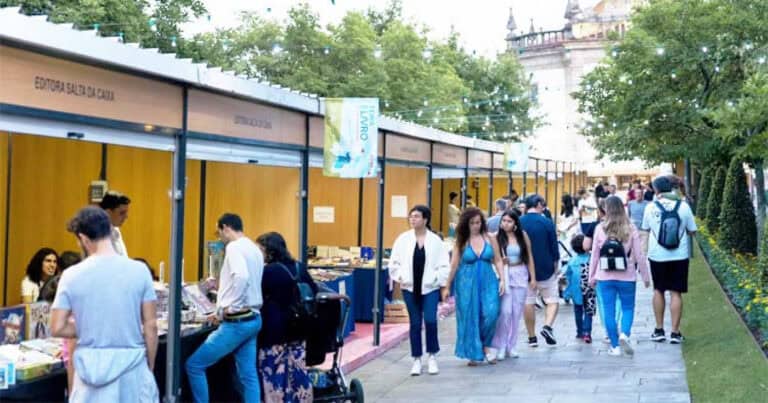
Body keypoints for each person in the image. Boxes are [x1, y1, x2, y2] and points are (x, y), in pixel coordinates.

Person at [50, 206, 158, 402]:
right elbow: (151, 326)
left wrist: (88, 326)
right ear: (110, 230)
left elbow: (57, 327)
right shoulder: (140, 271)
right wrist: (149, 366)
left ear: (83, 238)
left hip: (89, 375)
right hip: (132, 372)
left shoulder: (71, 275)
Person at [186, 213, 264, 403]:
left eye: (218, 232)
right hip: (253, 317)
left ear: (226, 227)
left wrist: (227, 307)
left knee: (194, 365)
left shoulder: (234, 248)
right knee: (248, 375)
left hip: (237, 321)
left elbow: (242, 277)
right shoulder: (253, 249)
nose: (219, 237)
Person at [255, 232, 316, 403]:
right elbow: (314, 291)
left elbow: (254, 297)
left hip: (274, 332)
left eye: (260, 250)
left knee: (273, 374)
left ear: (269, 251)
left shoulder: (267, 272)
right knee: (298, 374)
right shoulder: (299, 267)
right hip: (299, 329)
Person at [389, 205, 450, 376]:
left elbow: (444, 265)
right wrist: (401, 277)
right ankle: (416, 358)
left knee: (430, 320)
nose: (412, 219)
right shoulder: (403, 239)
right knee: (415, 323)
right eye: (411, 216)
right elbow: (394, 263)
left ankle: (432, 355)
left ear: (425, 219)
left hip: (429, 288)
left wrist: (437, 280)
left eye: (416, 216)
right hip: (410, 287)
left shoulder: (435, 241)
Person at [588, 196, 651, 356]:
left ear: (606, 209)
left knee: (608, 311)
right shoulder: (630, 228)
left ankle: (615, 346)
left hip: (604, 276)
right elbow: (639, 254)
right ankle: (625, 334)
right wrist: (645, 276)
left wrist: (592, 276)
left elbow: (595, 255)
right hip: (627, 275)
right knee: (628, 307)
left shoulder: (600, 228)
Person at [442, 207, 504, 365]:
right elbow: (454, 264)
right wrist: (447, 285)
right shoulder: (462, 241)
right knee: (470, 315)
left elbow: (497, 259)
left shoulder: (490, 238)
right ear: (466, 224)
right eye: (472, 223)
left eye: (478, 222)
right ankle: (474, 350)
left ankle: (485, 344)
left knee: (492, 312)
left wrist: (502, 279)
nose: (476, 225)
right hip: (466, 282)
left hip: (488, 279)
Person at [641, 176, 697, 344]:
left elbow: (645, 230)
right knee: (676, 292)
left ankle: (659, 330)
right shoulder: (684, 206)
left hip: (657, 255)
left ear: (656, 190)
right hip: (679, 255)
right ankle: (675, 332)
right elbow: (692, 231)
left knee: (658, 290)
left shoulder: (650, 207)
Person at [491, 209, 536, 360]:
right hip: (504, 275)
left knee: (516, 312)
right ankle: (501, 345)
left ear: (515, 223)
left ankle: (512, 345)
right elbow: (493, 258)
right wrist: (500, 262)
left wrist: (533, 278)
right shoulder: (497, 237)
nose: (506, 224)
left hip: (520, 272)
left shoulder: (522, 236)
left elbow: (529, 256)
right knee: (505, 312)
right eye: (503, 221)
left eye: (509, 221)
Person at [520, 195, 561, 347]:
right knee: (552, 301)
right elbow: (554, 246)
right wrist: (556, 265)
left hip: (524, 268)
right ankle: (547, 326)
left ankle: (532, 337)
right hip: (545, 266)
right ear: (538, 205)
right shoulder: (547, 222)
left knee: (528, 302)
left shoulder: (519, 222)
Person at [561, 235, 595, 343]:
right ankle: (587, 332)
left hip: (576, 291)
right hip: (589, 289)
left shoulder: (572, 261)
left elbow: (568, 278)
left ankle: (580, 331)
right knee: (588, 311)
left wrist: (567, 292)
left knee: (578, 311)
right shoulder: (592, 259)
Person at [99, 191, 131, 257]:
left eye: (126, 212)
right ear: (107, 213)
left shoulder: (115, 229)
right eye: (122, 213)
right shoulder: (97, 234)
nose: (126, 216)